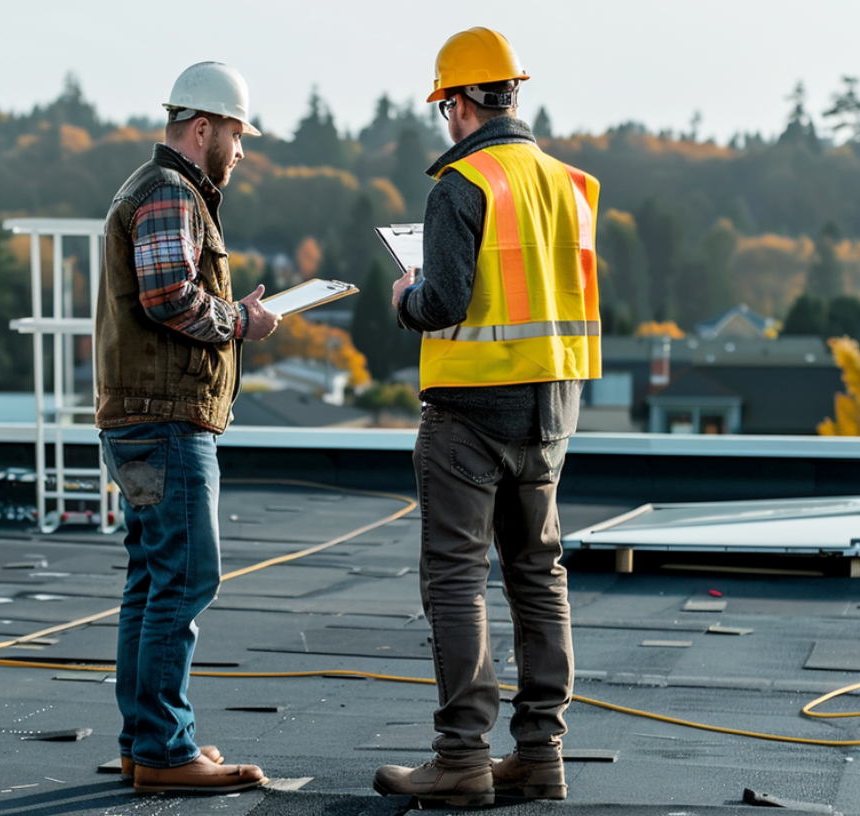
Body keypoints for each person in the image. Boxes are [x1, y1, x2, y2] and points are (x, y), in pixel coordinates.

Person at [373, 27, 601, 806]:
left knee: (456, 580)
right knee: (539, 575)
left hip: (470, 415)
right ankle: (541, 754)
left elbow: (442, 302)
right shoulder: (568, 185)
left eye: (445, 104)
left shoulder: (461, 185)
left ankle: (463, 758)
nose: (446, 120)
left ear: (462, 101)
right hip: (552, 413)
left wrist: (404, 296)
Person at [94, 61, 279, 795]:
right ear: (202, 128)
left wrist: (234, 312)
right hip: (168, 423)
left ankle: (147, 742)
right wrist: (243, 320)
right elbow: (171, 296)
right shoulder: (171, 194)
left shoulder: (153, 191)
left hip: (140, 421)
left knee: (152, 580)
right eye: (236, 135)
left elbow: (167, 293)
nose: (240, 151)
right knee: (185, 580)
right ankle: (167, 750)